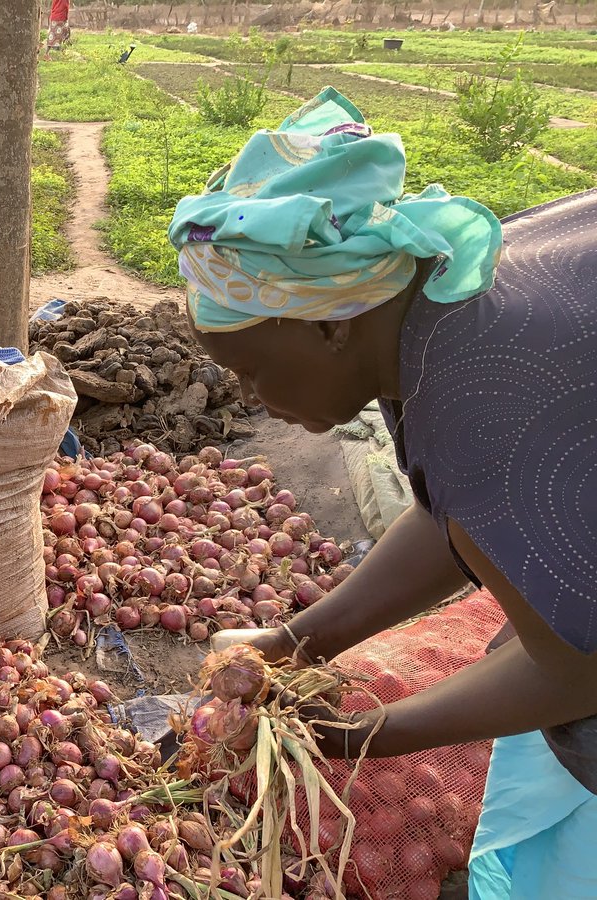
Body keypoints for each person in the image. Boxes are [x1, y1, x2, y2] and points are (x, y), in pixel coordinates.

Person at [169, 88, 596, 898]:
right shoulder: (421, 307)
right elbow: (454, 516)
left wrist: (371, 735)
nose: (254, 399)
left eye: (252, 371)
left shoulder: (484, 397)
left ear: (331, 325)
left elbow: (578, 671)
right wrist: (297, 638)